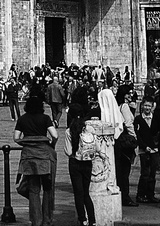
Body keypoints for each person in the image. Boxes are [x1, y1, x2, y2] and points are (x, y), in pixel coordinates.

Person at [15, 96, 58, 226]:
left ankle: (36, 220)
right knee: (47, 188)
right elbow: (55, 135)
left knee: (33, 189)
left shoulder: (22, 119)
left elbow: (16, 138)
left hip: (29, 156)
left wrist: (27, 143)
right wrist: (51, 144)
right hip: (45, 155)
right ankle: (47, 219)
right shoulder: (45, 118)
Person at [65, 88, 98, 226]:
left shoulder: (69, 131)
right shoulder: (89, 128)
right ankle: (93, 220)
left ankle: (82, 220)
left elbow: (68, 151)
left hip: (75, 163)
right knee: (86, 194)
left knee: (78, 193)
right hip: (88, 161)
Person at [135, 97, 159, 204]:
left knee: (152, 173)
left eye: (149, 106)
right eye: (145, 105)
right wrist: (144, 147)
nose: (147, 108)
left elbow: (158, 133)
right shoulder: (138, 119)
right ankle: (140, 195)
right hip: (144, 150)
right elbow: (137, 135)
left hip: (155, 149)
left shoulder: (155, 118)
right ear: (142, 106)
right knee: (145, 173)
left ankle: (150, 195)